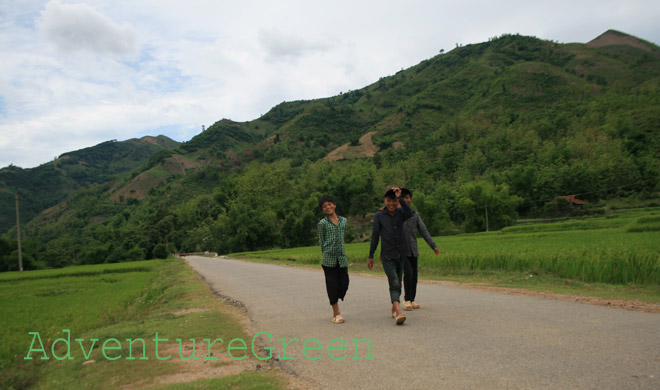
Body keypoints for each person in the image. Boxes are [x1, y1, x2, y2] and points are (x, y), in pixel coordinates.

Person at [367, 187, 414, 325]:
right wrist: (371, 255)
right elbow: (375, 236)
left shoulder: (401, 213)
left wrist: (400, 198)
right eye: (389, 201)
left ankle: (394, 309)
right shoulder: (379, 216)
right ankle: (399, 312)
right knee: (394, 282)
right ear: (384, 201)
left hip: (401, 254)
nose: (391, 204)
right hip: (387, 255)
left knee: (398, 281)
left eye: (394, 201)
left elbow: (410, 213)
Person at [400, 187, 441, 311]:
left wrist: (433, 246)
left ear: (411, 199)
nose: (405, 200)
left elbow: (423, 231)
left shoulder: (415, 215)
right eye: (403, 198)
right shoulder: (396, 214)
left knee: (414, 275)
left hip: (413, 249)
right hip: (401, 250)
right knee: (408, 273)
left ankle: (412, 299)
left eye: (407, 198)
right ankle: (406, 300)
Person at [317, 195, 349, 324]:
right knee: (332, 286)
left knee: (345, 283)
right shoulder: (322, 223)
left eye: (329, 204)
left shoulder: (343, 221)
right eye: (324, 206)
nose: (328, 207)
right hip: (328, 259)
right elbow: (322, 241)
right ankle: (336, 314)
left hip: (341, 258)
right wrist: (325, 254)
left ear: (334, 205)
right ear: (322, 210)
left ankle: (338, 296)